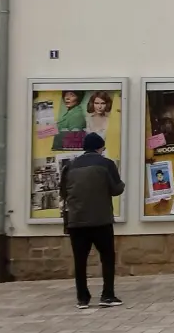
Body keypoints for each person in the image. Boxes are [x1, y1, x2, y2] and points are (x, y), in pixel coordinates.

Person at [59, 132, 125, 309]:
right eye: (103, 147)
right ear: (99, 147)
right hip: (101, 220)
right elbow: (116, 189)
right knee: (107, 257)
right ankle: (107, 295)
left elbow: (63, 192)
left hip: (76, 221)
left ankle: (82, 298)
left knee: (80, 260)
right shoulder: (106, 164)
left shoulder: (70, 166)